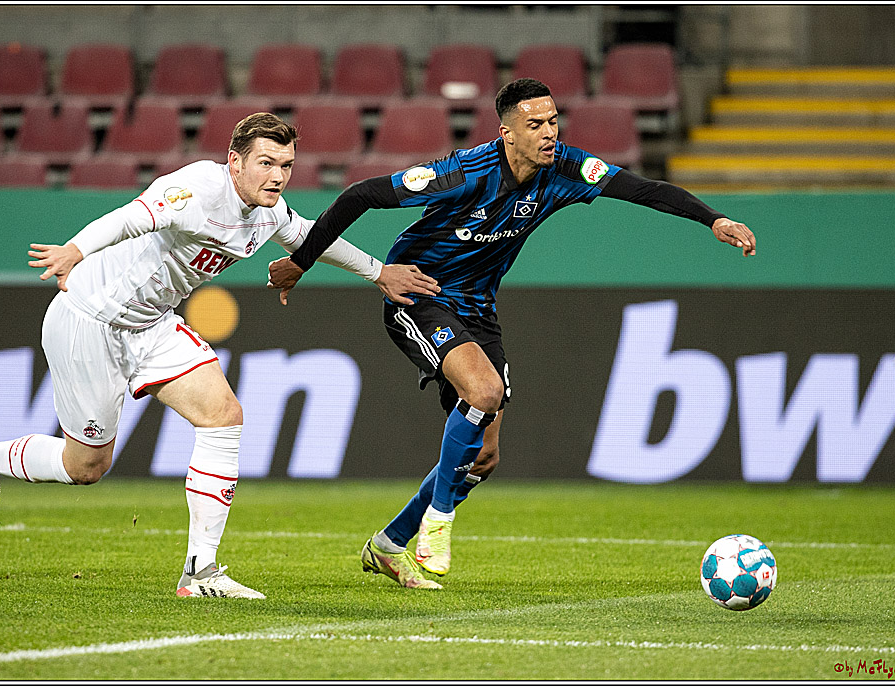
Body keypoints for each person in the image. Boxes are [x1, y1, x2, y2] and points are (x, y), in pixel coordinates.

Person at [267, 78, 757, 590]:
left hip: (479, 310)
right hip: (421, 294)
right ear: (507, 133)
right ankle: (437, 521)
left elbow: (644, 189)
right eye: (535, 125)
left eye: (552, 122)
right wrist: (302, 262)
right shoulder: (462, 173)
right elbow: (360, 194)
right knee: (483, 391)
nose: (550, 133)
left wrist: (713, 219)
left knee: (483, 457)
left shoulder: (567, 169)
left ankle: (388, 545)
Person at [0, 113, 439, 599]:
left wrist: (378, 272)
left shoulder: (269, 210)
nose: (277, 176)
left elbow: (310, 237)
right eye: (266, 163)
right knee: (85, 467)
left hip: (152, 324)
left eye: (287, 166)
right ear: (235, 162)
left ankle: (200, 573)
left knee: (224, 416)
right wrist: (76, 250)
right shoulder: (197, 188)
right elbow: (130, 217)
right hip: (90, 320)